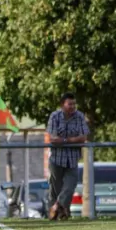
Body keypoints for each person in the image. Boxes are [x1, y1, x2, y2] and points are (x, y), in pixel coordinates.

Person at [46, 92, 90, 220]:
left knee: (70, 187)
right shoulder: (55, 116)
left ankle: (56, 207)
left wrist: (64, 140)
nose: (72, 107)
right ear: (62, 105)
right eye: (69, 104)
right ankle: (59, 214)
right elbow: (53, 139)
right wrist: (72, 139)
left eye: (74, 104)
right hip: (56, 159)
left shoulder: (79, 116)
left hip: (72, 159)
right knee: (55, 188)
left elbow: (83, 137)